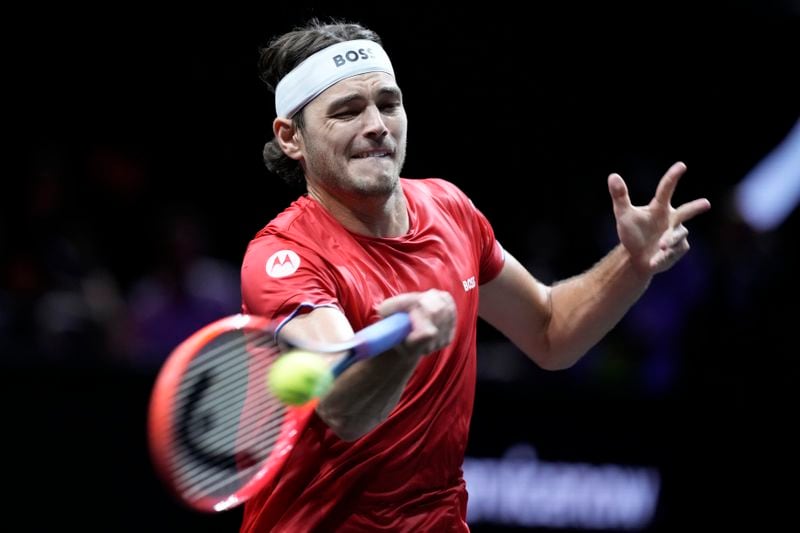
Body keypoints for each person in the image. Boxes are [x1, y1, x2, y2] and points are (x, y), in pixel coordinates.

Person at [239, 18, 711, 532]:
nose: (376, 124)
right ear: (291, 138)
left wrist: (632, 263)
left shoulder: (450, 209)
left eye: (388, 103)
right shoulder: (283, 258)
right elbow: (345, 412)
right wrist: (407, 346)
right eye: (348, 111)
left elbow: (551, 333)